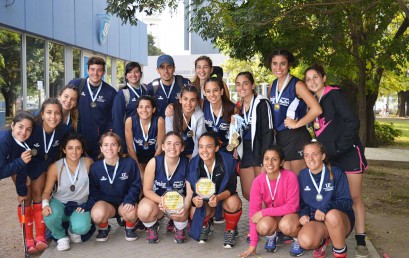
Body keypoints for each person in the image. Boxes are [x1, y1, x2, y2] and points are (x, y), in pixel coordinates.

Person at [304, 64, 369, 257]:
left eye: (315, 77)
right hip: (331, 159)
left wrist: (340, 147)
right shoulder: (313, 102)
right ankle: (330, 236)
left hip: (348, 155)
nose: (312, 81)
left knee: (354, 198)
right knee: (331, 198)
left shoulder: (335, 95)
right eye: (308, 79)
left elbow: (352, 122)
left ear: (324, 78)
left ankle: (361, 240)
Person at [17, 99, 71, 253]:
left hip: (42, 166)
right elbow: (17, 149)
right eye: (48, 112)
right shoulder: (32, 129)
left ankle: (40, 236)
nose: (53, 117)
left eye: (57, 113)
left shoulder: (63, 130)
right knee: (25, 197)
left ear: (61, 116)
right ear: (42, 114)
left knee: (38, 195)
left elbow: (76, 143)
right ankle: (28, 239)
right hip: (23, 165)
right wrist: (23, 174)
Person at [240, 147, 303, 257]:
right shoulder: (258, 181)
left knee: (286, 225)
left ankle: (297, 239)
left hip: (291, 216)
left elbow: (292, 207)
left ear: (281, 162)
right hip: (275, 216)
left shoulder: (290, 177)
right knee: (262, 226)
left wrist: (263, 212)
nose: (269, 163)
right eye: (266, 159)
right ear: (262, 161)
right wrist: (253, 244)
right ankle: (272, 236)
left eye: (274, 159)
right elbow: (253, 213)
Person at [267, 49, 322, 174]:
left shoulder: (297, 85)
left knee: (299, 183)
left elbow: (316, 109)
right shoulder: (272, 86)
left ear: (289, 65)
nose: (278, 67)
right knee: (287, 183)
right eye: (275, 63)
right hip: (280, 138)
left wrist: (297, 124)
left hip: (297, 137)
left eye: (283, 63)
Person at [297, 141, 354, 258]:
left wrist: (325, 207)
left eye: (315, 154)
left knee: (331, 215)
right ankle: (323, 240)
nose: (310, 158)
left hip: (340, 221)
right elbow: (302, 203)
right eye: (306, 155)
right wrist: (303, 214)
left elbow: (347, 202)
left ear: (323, 156)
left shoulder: (336, 173)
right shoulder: (302, 175)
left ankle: (340, 252)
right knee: (305, 241)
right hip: (318, 221)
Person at [188, 132, 242, 248]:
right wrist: (195, 200)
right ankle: (206, 225)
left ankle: (230, 230)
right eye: (201, 146)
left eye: (209, 146)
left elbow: (232, 188)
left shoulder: (228, 161)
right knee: (194, 211)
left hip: (223, 199)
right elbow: (193, 190)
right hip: (206, 201)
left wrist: (218, 198)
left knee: (234, 202)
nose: (204, 150)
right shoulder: (193, 164)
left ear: (217, 148)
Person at [41, 133, 94, 251]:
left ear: (82, 150)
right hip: (59, 202)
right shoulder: (55, 167)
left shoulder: (88, 163)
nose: (74, 152)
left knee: (82, 228)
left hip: (79, 204)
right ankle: (60, 236)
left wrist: (89, 204)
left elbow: (96, 186)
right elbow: (46, 192)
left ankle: (72, 229)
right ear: (64, 150)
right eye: (70, 148)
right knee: (49, 216)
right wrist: (45, 205)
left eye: (78, 148)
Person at [85, 132, 142, 242]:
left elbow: (136, 184)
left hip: (124, 202)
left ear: (119, 147)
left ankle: (129, 227)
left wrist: (130, 200)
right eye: (106, 145)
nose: (109, 148)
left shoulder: (129, 163)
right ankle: (104, 228)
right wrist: (89, 206)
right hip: (106, 204)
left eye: (113, 144)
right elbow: (93, 191)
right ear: (101, 148)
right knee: (97, 214)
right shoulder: (95, 168)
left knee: (132, 212)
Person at [137, 132, 192, 244]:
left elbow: (190, 194)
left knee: (184, 209)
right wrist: (162, 201)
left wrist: (185, 208)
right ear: (162, 146)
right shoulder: (154, 162)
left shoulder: (187, 163)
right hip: (158, 202)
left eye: (177, 144)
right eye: (168, 143)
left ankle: (179, 228)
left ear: (182, 148)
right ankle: (152, 227)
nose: (172, 147)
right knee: (143, 210)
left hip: (178, 202)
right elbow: (146, 190)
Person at [234, 72, 275, 201]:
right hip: (245, 151)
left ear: (252, 85)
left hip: (260, 150)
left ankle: (265, 220)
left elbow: (269, 131)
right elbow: (239, 131)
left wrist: (266, 156)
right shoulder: (239, 107)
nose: (242, 87)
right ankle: (257, 220)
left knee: (263, 193)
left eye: (245, 83)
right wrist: (236, 146)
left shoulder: (262, 103)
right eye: (238, 84)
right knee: (248, 193)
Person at [69, 56, 117, 160]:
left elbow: (112, 119)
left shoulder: (111, 92)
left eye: (99, 70)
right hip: (76, 140)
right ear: (87, 70)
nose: (95, 73)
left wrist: (106, 140)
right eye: (92, 69)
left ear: (103, 72)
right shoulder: (76, 85)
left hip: (98, 143)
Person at [0, 111, 35, 253]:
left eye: (28, 129)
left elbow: (20, 167)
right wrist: (20, 162)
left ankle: (29, 240)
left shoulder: (23, 142)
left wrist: (22, 192)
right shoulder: (3, 141)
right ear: (12, 125)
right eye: (20, 127)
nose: (23, 132)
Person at [112, 62, 149, 153]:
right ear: (126, 76)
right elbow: (117, 121)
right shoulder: (122, 94)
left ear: (141, 74)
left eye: (136, 72)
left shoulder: (146, 90)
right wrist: (122, 144)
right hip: (130, 138)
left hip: (146, 137)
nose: (133, 75)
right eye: (130, 72)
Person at [125, 96, 165, 177]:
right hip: (136, 159)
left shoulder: (159, 121)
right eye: (141, 107)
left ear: (153, 109)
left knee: (151, 179)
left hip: (154, 158)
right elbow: (130, 148)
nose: (144, 110)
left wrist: (151, 166)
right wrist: (139, 169)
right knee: (139, 179)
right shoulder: (130, 121)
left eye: (148, 107)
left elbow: (160, 147)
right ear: (137, 109)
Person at [165, 85, 206, 159]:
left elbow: (199, 141)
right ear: (180, 99)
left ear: (197, 102)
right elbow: (170, 140)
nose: (188, 103)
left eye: (193, 100)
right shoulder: (171, 113)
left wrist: (193, 159)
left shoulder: (200, 116)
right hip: (175, 154)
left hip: (194, 154)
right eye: (185, 99)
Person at [202, 77, 237, 154]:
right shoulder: (202, 105)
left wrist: (236, 149)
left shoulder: (233, 109)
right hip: (208, 152)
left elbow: (238, 134)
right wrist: (171, 106)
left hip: (227, 152)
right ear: (204, 93)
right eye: (208, 91)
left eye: (215, 90)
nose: (212, 94)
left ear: (221, 91)